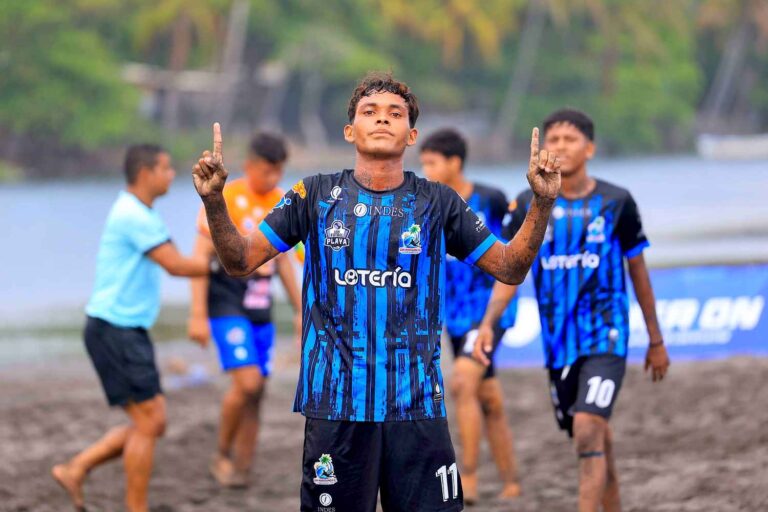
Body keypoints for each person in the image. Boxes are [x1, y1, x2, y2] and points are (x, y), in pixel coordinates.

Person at [191, 72, 561, 512]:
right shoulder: (313, 194)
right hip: (336, 406)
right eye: (369, 112)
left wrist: (542, 203)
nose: (382, 120)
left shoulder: (439, 202)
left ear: (411, 134)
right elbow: (239, 261)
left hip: (417, 405)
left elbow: (510, 267)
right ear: (350, 131)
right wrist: (215, 201)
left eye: (395, 114)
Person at [473, 109, 671, 512]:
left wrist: (655, 340)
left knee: (586, 430)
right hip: (558, 344)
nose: (560, 146)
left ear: (591, 148)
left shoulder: (617, 203)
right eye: (553, 140)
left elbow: (639, 272)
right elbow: (511, 268)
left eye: (570, 139)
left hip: (606, 336)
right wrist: (489, 324)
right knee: (593, 435)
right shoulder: (530, 202)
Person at [51, 144, 208, 512]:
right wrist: (236, 264)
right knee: (150, 422)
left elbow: (181, 262)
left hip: (122, 330)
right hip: (114, 329)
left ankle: (77, 468)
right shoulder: (133, 215)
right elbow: (177, 266)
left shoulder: (141, 212)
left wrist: (218, 260)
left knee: (151, 422)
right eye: (166, 169)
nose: (172, 175)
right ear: (145, 172)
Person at [187, 132, 302, 487]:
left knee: (258, 390)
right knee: (247, 382)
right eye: (267, 171)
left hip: (260, 304)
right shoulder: (229, 196)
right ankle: (221, 452)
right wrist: (196, 315)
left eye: (278, 172)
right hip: (226, 300)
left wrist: (301, 311)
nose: (273, 178)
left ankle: (243, 467)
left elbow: (283, 263)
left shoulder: (282, 202)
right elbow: (200, 258)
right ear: (250, 165)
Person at [420, 128, 521, 504]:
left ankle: (470, 479)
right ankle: (511, 481)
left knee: (462, 382)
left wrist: (497, 310)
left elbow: (513, 255)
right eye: (423, 162)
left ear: (454, 163)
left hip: (489, 312)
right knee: (489, 398)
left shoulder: (491, 199)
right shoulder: (426, 202)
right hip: (453, 316)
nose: (425, 169)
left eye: (431, 162)